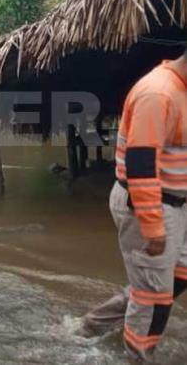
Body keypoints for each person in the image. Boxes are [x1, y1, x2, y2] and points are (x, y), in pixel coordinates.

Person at [81, 51, 187, 361]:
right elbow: (140, 164)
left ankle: (94, 324)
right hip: (150, 203)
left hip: (177, 203)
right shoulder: (158, 93)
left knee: (173, 277)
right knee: (155, 297)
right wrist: (153, 226)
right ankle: (139, 356)